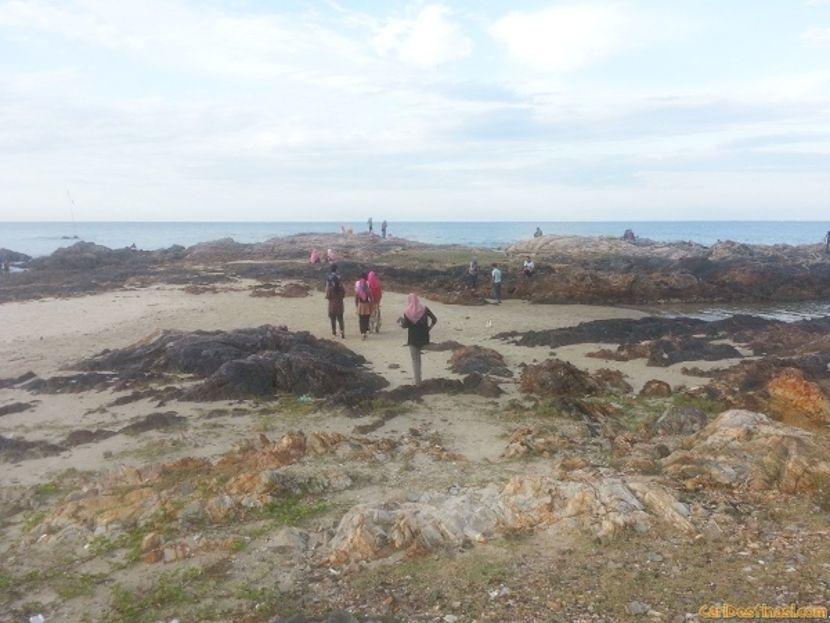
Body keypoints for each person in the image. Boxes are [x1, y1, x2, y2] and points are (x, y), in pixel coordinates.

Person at [398, 293, 437, 386]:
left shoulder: (407, 312)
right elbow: (434, 319)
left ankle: (418, 383)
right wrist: (429, 329)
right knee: (420, 357)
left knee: (416, 361)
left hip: (413, 339)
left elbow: (405, 326)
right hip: (424, 338)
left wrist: (401, 322)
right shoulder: (424, 309)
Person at [325, 264, 346, 338]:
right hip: (340, 305)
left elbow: (327, 289)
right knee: (340, 319)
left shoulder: (328, 277)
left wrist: (327, 294)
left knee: (332, 319)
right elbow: (343, 293)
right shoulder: (340, 277)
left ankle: (334, 333)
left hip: (332, 305)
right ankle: (342, 332)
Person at [354, 272, 373, 340]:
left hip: (360, 305)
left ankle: (362, 332)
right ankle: (365, 331)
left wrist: (357, 305)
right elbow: (371, 298)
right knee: (366, 319)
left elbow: (356, 298)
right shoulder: (368, 289)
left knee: (361, 319)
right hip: (367, 305)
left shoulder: (358, 290)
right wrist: (371, 306)